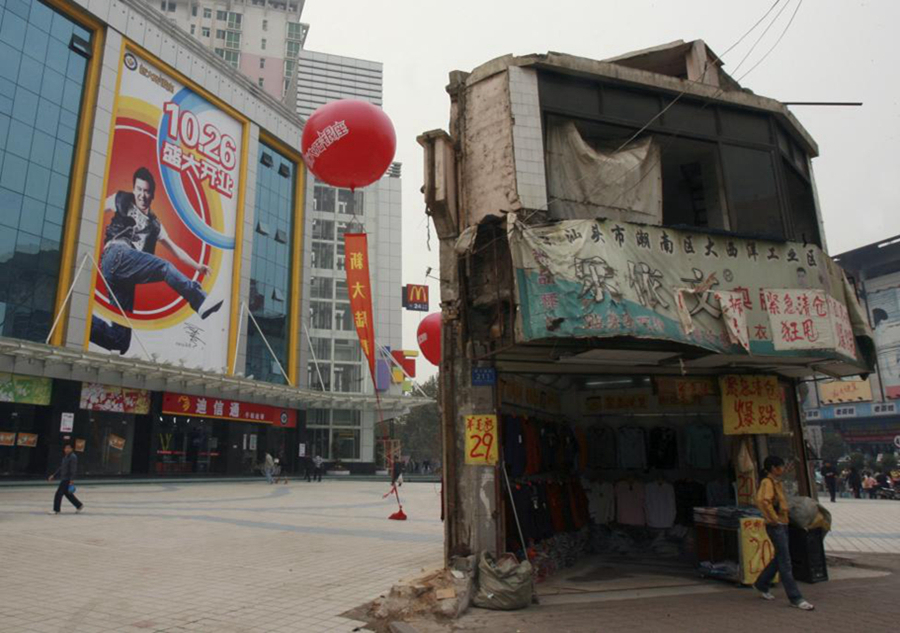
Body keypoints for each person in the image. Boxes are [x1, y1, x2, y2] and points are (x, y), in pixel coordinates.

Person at [90, 168, 223, 355]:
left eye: (146, 191)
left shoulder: (155, 224)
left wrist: (197, 266)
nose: (142, 195)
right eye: (138, 189)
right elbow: (96, 207)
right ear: (133, 189)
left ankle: (83, 319)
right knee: (163, 267)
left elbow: (176, 250)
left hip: (125, 275)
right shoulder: (121, 199)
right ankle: (199, 300)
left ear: (152, 194)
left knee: (120, 340)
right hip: (116, 253)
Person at [753, 455, 815, 611]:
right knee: (785, 562)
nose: (783, 469)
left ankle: (761, 583)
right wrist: (773, 519)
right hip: (777, 525)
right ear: (773, 468)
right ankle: (795, 597)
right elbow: (763, 501)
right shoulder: (768, 483)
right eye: (780, 466)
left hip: (782, 523)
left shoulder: (776, 482)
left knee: (780, 558)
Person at [48, 443, 84, 515]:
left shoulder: (73, 457)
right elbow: (61, 467)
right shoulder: (66, 457)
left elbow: (73, 469)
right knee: (68, 494)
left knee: (58, 494)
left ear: (71, 449)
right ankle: (79, 505)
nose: (66, 450)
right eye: (65, 448)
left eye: (68, 448)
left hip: (67, 478)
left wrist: (71, 479)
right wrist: (54, 475)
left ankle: (56, 510)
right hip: (64, 477)